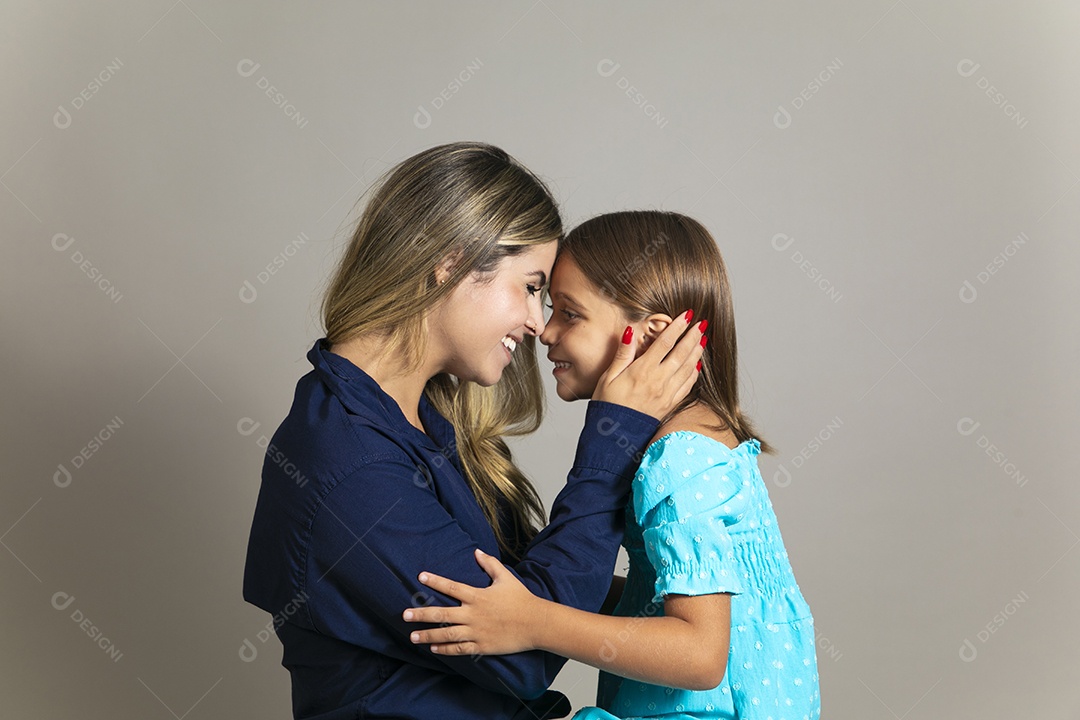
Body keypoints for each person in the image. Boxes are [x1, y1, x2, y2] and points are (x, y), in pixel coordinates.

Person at [242, 145, 707, 720]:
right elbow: (523, 653)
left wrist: (692, 600)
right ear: (451, 264)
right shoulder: (351, 466)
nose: (539, 325)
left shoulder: (418, 423)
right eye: (531, 287)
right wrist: (615, 439)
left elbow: (522, 590)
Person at [403, 211, 821, 719]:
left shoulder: (681, 456)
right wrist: (537, 591)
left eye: (570, 314)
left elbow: (701, 655)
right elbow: (665, 598)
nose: (545, 330)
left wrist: (531, 620)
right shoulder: (700, 437)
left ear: (650, 337)